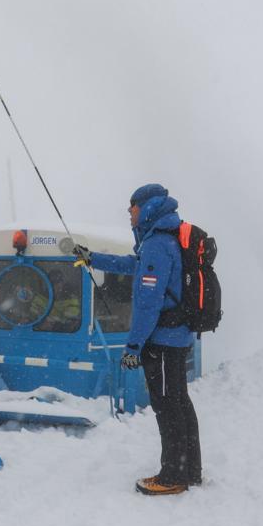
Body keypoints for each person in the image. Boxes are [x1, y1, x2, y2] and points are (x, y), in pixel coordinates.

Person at [74, 183, 202, 495]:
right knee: (179, 402)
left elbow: (148, 303)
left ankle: (173, 476)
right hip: (176, 336)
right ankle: (190, 470)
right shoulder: (164, 239)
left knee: (167, 406)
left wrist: (133, 347)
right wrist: (93, 259)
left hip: (164, 341)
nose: (129, 213)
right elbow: (134, 265)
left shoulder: (157, 243)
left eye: (132, 207)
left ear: (147, 207)